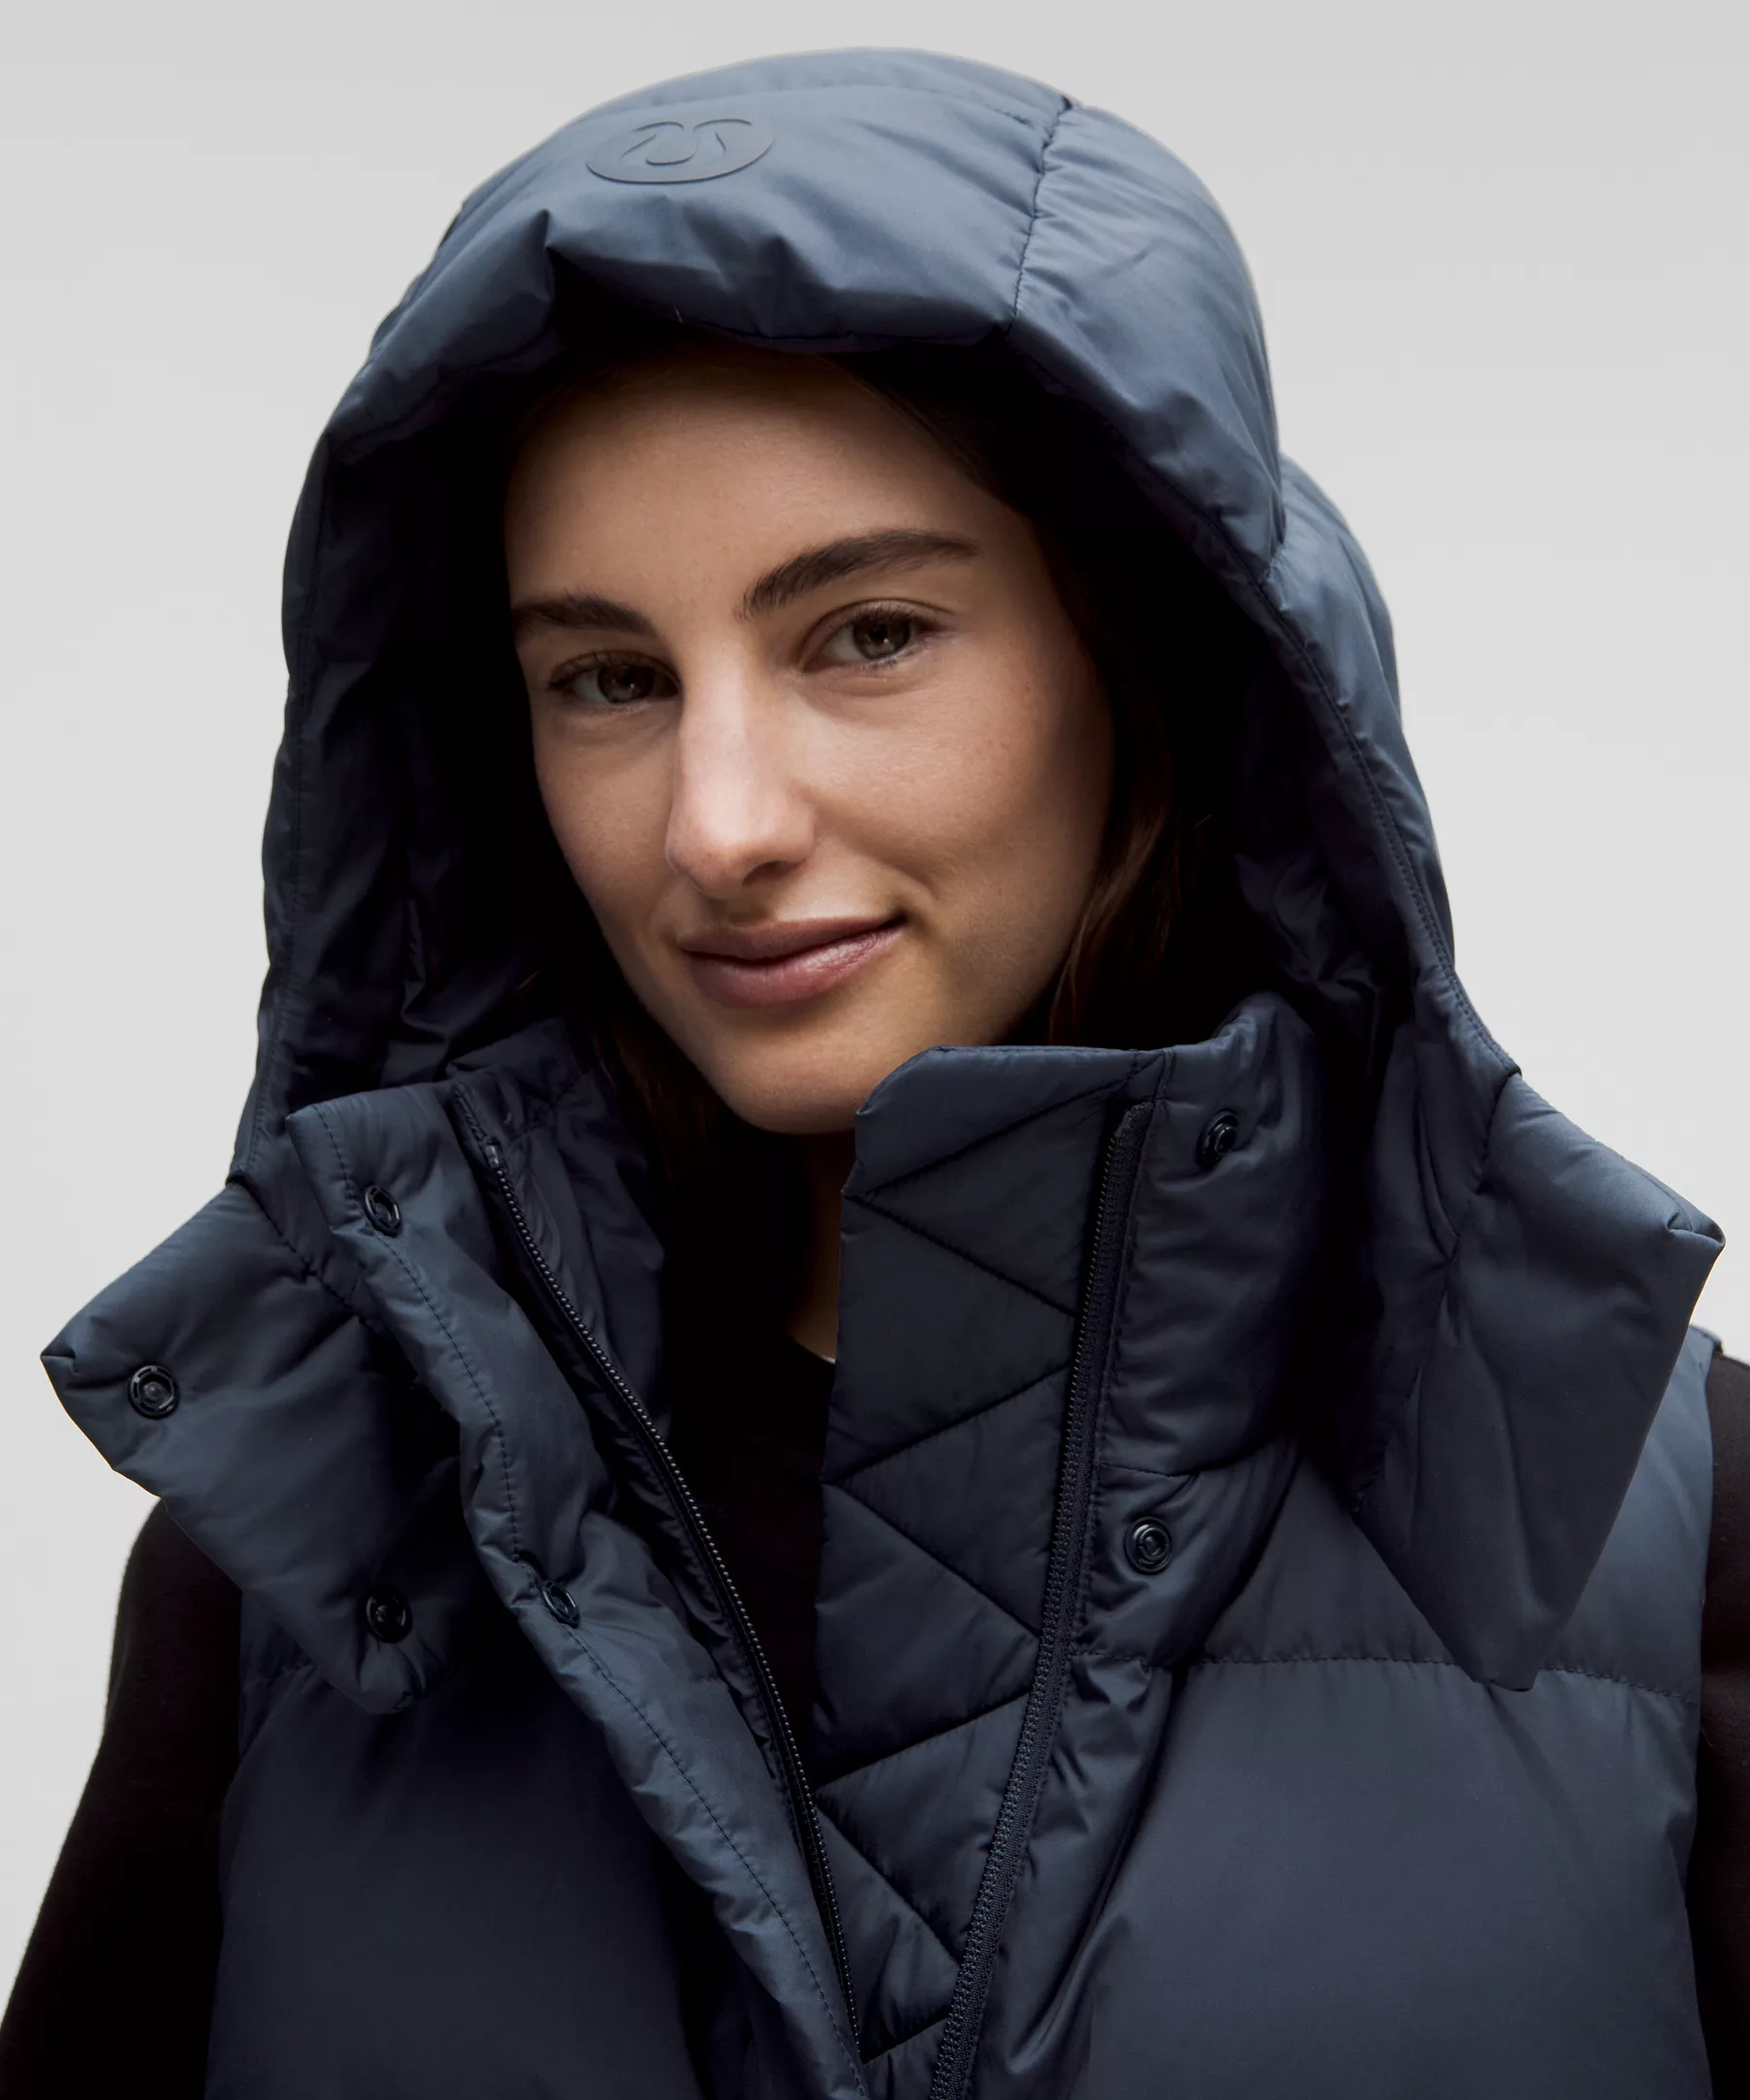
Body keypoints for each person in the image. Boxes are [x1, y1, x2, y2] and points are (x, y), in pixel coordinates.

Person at [2, 48, 1744, 2100]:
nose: (718, 823)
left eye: (870, 635)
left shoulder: (1670, 1529)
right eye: (609, 680)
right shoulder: (310, 1561)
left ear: (1153, 649)